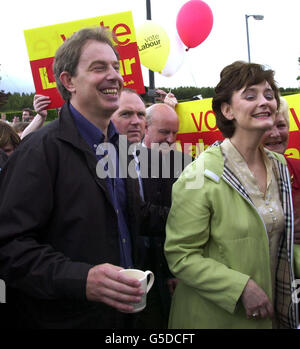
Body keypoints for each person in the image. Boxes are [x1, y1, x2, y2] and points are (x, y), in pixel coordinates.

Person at [0, 27, 147, 329]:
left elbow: (128, 218)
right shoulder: (39, 150)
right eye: (98, 67)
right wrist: (82, 279)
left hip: (124, 319)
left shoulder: (121, 149)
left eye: (116, 67)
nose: (115, 76)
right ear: (68, 81)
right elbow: (9, 247)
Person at [164, 61, 299, 329]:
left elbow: (279, 243)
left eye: (269, 95)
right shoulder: (198, 173)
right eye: (250, 95)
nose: (265, 102)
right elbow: (180, 255)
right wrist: (241, 287)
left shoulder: (279, 165)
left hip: (272, 316)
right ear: (227, 110)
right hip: (215, 318)